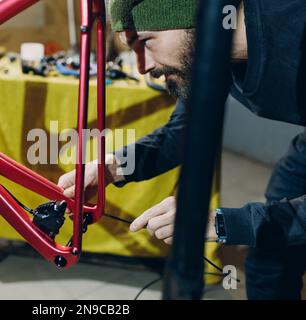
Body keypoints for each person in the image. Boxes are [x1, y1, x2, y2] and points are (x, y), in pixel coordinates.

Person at [58, 0, 306, 299]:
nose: (143, 68)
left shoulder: (295, 26)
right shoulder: (210, 52)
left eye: (147, 41)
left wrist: (230, 223)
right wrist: (112, 167)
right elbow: (184, 132)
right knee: (270, 251)